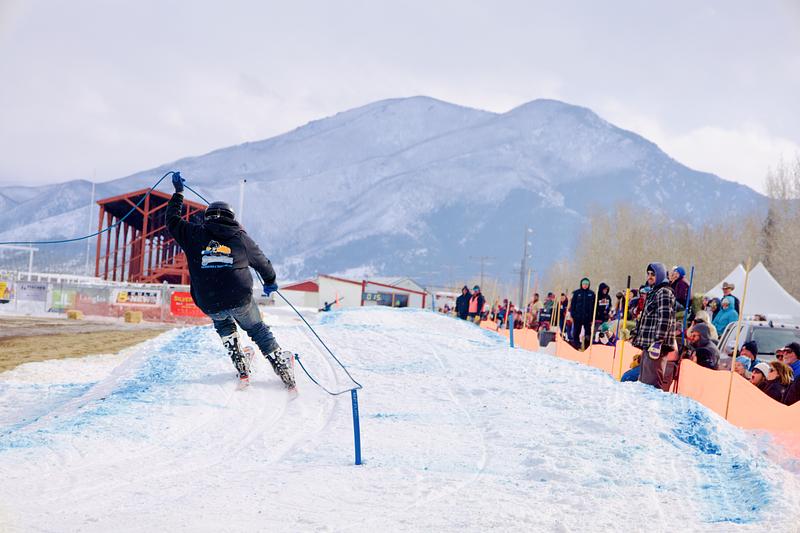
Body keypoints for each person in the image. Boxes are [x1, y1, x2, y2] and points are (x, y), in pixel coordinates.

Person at [165, 172, 294, 388]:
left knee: (224, 325)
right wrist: (270, 281)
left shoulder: (192, 234)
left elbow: (172, 221)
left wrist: (178, 193)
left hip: (208, 301)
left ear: (206, 217)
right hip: (239, 298)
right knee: (257, 330)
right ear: (231, 218)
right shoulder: (240, 238)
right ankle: (283, 368)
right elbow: (262, 263)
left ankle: (241, 365)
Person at [633, 263, 677, 390]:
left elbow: (665, 318)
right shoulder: (654, 291)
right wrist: (636, 333)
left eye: (653, 274)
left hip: (656, 345)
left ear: (661, 275)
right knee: (644, 383)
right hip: (649, 344)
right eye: (648, 274)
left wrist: (658, 341)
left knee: (650, 385)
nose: (650, 277)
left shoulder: (664, 292)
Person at [569, 278, 595, 350]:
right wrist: (572, 315)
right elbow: (572, 305)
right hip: (578, 317)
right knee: (576, 332)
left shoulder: (591, 293)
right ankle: (576, 346)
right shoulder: (577, 293)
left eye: (587, 284)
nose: (585, 285)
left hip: (587, 318)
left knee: (588, 333)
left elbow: (593, 306)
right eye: (584, 284)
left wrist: (592, 317)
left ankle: (586, 347)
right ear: (581, 284)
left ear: (588, 285)